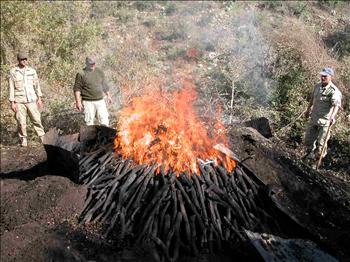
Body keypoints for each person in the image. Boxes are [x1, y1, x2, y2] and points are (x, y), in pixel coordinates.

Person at [304, 67, 342, 163]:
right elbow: (312, 99)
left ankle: (315, 162)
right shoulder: (317, 86)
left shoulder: (334, 91)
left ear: (330, 77)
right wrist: (308, 110)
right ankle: (308, 157)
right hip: (314, 118)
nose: (323, 78)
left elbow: (336, 105)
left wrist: (332, 117)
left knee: (321, 145)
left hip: (325, 122)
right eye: (322, 76)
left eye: (325, 76)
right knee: (308, 140)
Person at [8, 52, 45, 147]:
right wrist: (12, 102)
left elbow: (37, 85)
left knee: (37, 120)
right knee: (21, 122)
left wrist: (39, 98)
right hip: (19, 101)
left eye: (25, 59)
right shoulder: (13, 72)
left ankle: (43, 138)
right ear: (18, 60)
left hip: (32, 100)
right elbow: (11, 87)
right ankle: (23, 140)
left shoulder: (32, 71)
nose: (24, 61)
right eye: (22, 59)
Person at [73, 57, 113, 126]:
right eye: (90, 64)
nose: (92, 65)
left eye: (93, 64)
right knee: (89, 123)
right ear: (86, 63)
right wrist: (78, 102)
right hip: (88, 102)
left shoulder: (99, 71)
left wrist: (108, 96)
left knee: (104, 120)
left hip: (100, 101)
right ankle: (90, 136)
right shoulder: (81, 74)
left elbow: (104, 85)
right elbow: (77, 89)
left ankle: (105, 135)